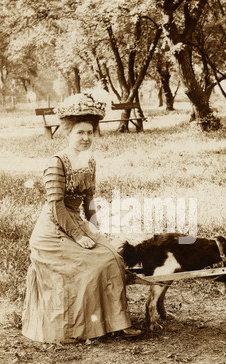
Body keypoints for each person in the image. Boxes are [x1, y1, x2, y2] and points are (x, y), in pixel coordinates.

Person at [22, 92, 140, 343]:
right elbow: (56, 207)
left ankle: (116, 323)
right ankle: (84, 328)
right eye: (80, 133)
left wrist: (97, 230)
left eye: (89, 132)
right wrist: (79, 237)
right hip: (53, 231)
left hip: (76, 221)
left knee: (113, 256)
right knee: (95, 265)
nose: (86, 138)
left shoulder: (90, 160)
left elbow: (89, 201)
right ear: (68, 133)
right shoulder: (56, 163)